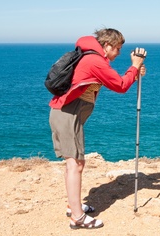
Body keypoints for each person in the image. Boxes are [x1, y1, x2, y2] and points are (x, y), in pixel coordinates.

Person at [48, 28, 146, 229]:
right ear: (107, 45)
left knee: (77, 163)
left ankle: (73, 205)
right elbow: (120, 85)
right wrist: (134, 66)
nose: (118, 53)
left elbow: (115, 78)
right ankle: (77, 217)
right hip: (68, 114)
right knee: (74, 164)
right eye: (117, 48)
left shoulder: (93, 59)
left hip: (68, 114)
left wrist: (134, 71)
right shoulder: (94, 61)